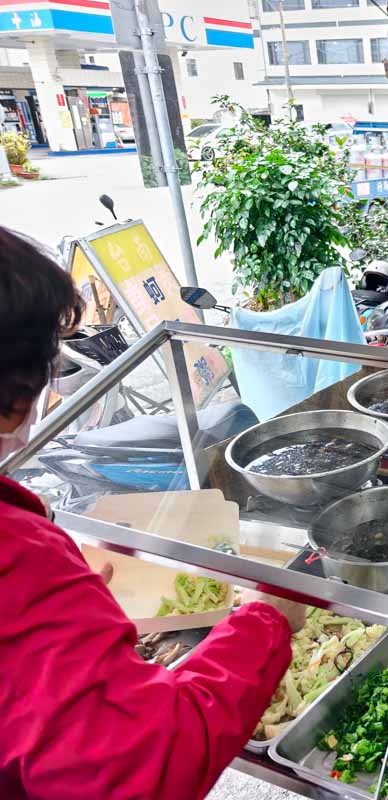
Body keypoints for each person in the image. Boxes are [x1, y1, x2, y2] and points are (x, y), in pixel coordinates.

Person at [0, 226, 307, 799]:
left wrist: (61, 618)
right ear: (19, 388)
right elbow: (143, 766)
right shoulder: (19, 557)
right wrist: (266, 621)